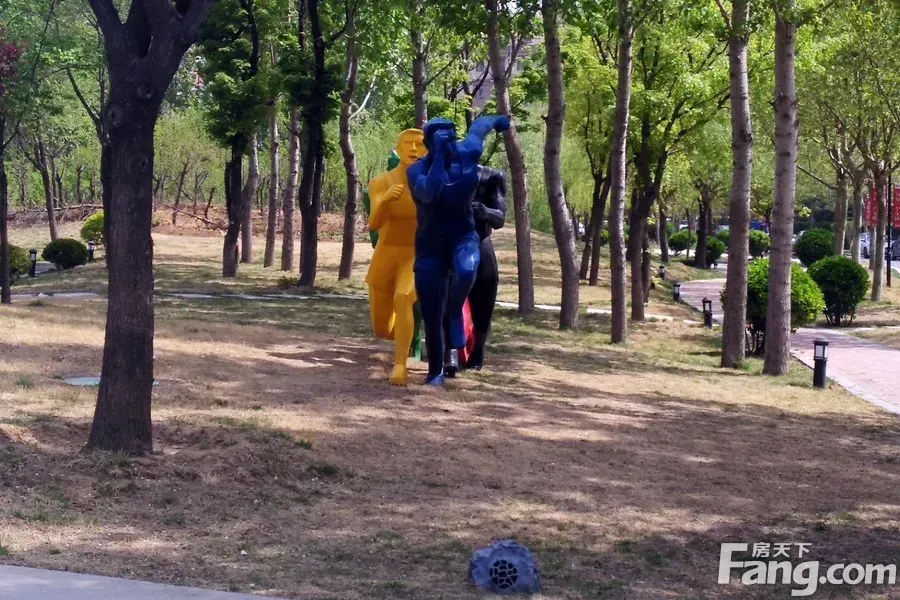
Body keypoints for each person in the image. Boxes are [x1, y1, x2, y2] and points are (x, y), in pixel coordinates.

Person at [407, 115, 509, 385]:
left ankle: (454, 311)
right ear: (429, 144)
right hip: (430, 246)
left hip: (464, 238)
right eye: (442, 140)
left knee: (466, 269)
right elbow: (429, 193)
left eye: (452, 137)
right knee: (431, 310)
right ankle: (436, 371)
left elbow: (479, 128)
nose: (451, 143)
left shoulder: (468, 153)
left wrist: (499, 120)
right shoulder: (417, 170)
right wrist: (439, 158)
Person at [366, 129, 426, 386]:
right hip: (386, 255)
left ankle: (400, 364)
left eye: (419, 145)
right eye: (407, 144)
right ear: (398, 149)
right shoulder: (381, 182)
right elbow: (373, 224)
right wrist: (384, 201)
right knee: (381, 327)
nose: (413, 149)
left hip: (415, 254)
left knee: (403, 298)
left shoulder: (430, 185)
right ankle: (403, 334)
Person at [441, 165, 506, 375]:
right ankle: (450, 351)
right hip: (452, 241)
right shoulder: (443, 172)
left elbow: (500, 218)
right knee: (449, 296)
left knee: (487, 285)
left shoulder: (491, 176)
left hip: (480, 238)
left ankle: (478, 349)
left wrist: (485, 212)